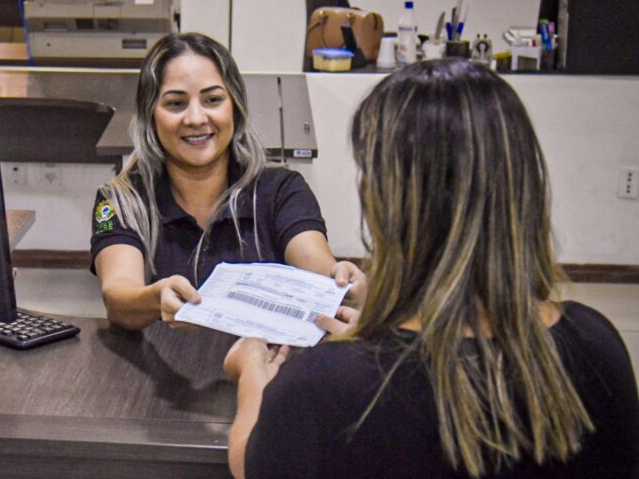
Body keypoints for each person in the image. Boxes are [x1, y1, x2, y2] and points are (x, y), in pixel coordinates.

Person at [224, 59, 638, 478]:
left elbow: (253, 466)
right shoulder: (597, 345)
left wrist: (252, 381)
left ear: (383, 200)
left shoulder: (322, 387)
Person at [91, 32, 363, 330]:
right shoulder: (120, 200)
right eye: (175, 103)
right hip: (164, 368)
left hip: (263, 368)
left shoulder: (282, 189)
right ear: (150, 115)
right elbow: (118, 297)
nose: (195, 118)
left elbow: (316, 262)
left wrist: (338, 280)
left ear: (234, 106)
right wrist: (156, 297)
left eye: (212, 99)